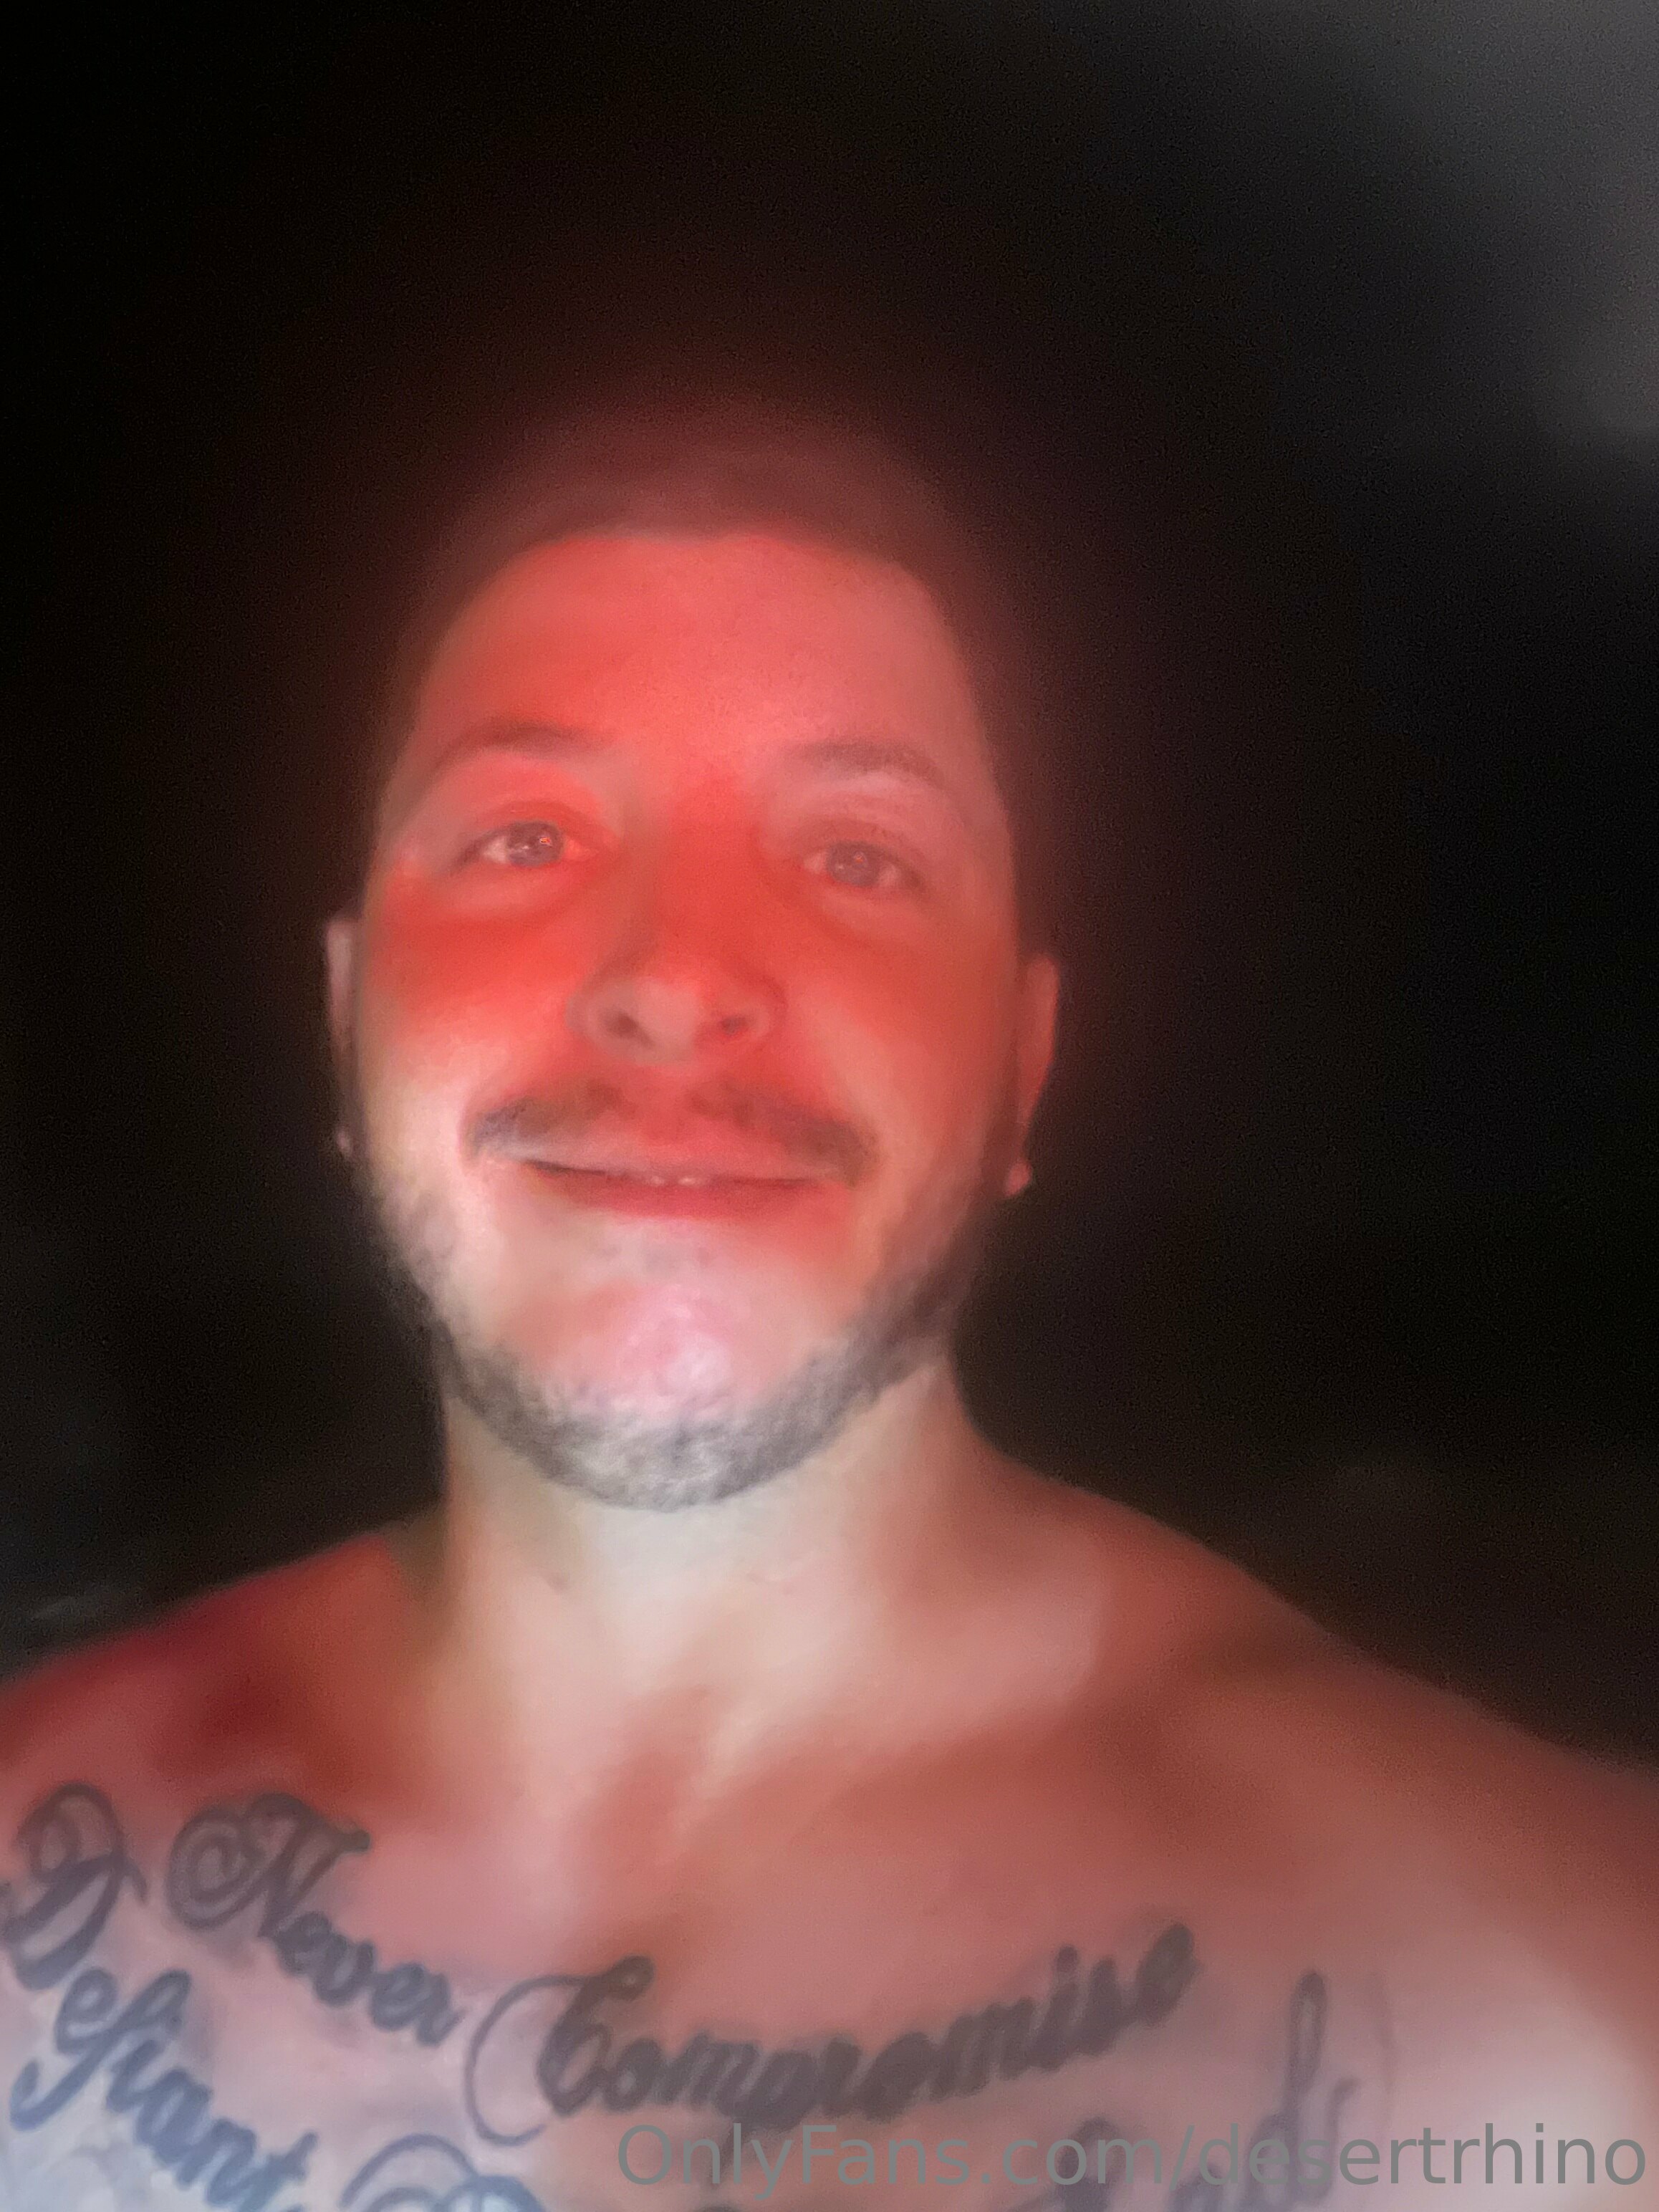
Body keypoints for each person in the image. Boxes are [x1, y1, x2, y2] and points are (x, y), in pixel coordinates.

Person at [1, 402, 1653, 2212]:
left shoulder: (1561, 2004)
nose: (674, 977)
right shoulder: (32, 1824)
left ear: (1021, 1067)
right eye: (526, 836)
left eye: (859, 856)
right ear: (347, 1017)